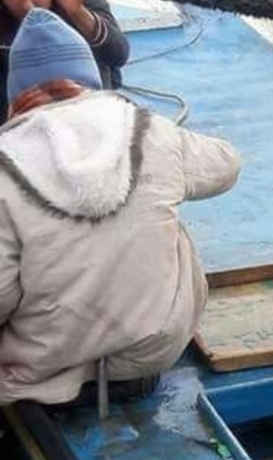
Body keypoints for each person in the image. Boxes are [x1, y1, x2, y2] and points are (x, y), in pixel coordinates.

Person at [0, 8, 240, 406]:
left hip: (41, 375)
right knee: (168, 211)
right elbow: (226, 165)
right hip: (151, 354)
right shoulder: (148, 128)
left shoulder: (6, 162)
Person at [0, 0, 128, 120]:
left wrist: (77, 12)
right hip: (25, 123)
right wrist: (28, 15)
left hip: (92, 115)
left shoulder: (85, 4)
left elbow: (118, 55)